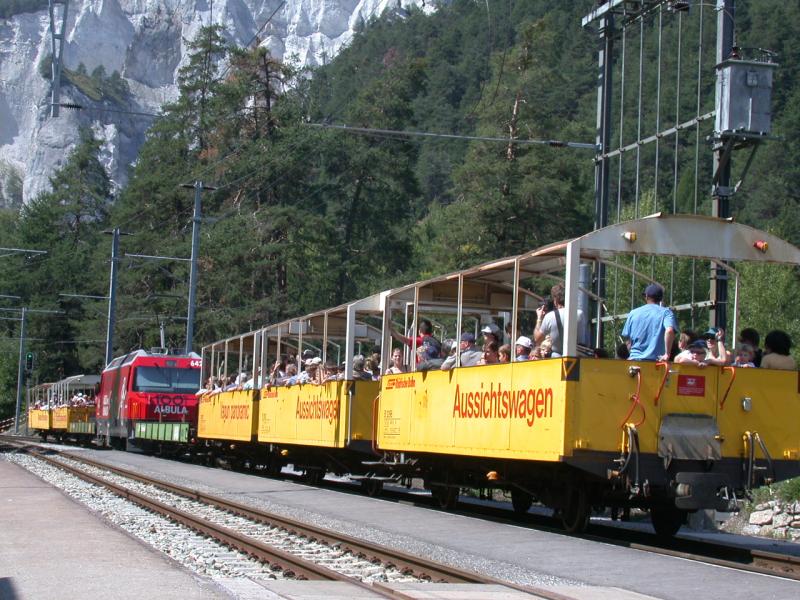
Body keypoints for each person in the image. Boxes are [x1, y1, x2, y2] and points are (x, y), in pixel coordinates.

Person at [620, 283, 677, 361]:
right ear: (660, 298)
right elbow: (669, 331)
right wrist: (667, 354)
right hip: (656, 363)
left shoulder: (633, 313)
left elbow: (628, 339)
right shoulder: (666, 313)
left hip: (634, 361)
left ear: (646, 296)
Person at [534, 284, 586, 357]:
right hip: (577, 357)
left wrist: (539, 318)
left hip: (557, 358)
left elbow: (537, 339)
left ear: (555, 300)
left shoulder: (550, 316)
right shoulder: (580, 314)